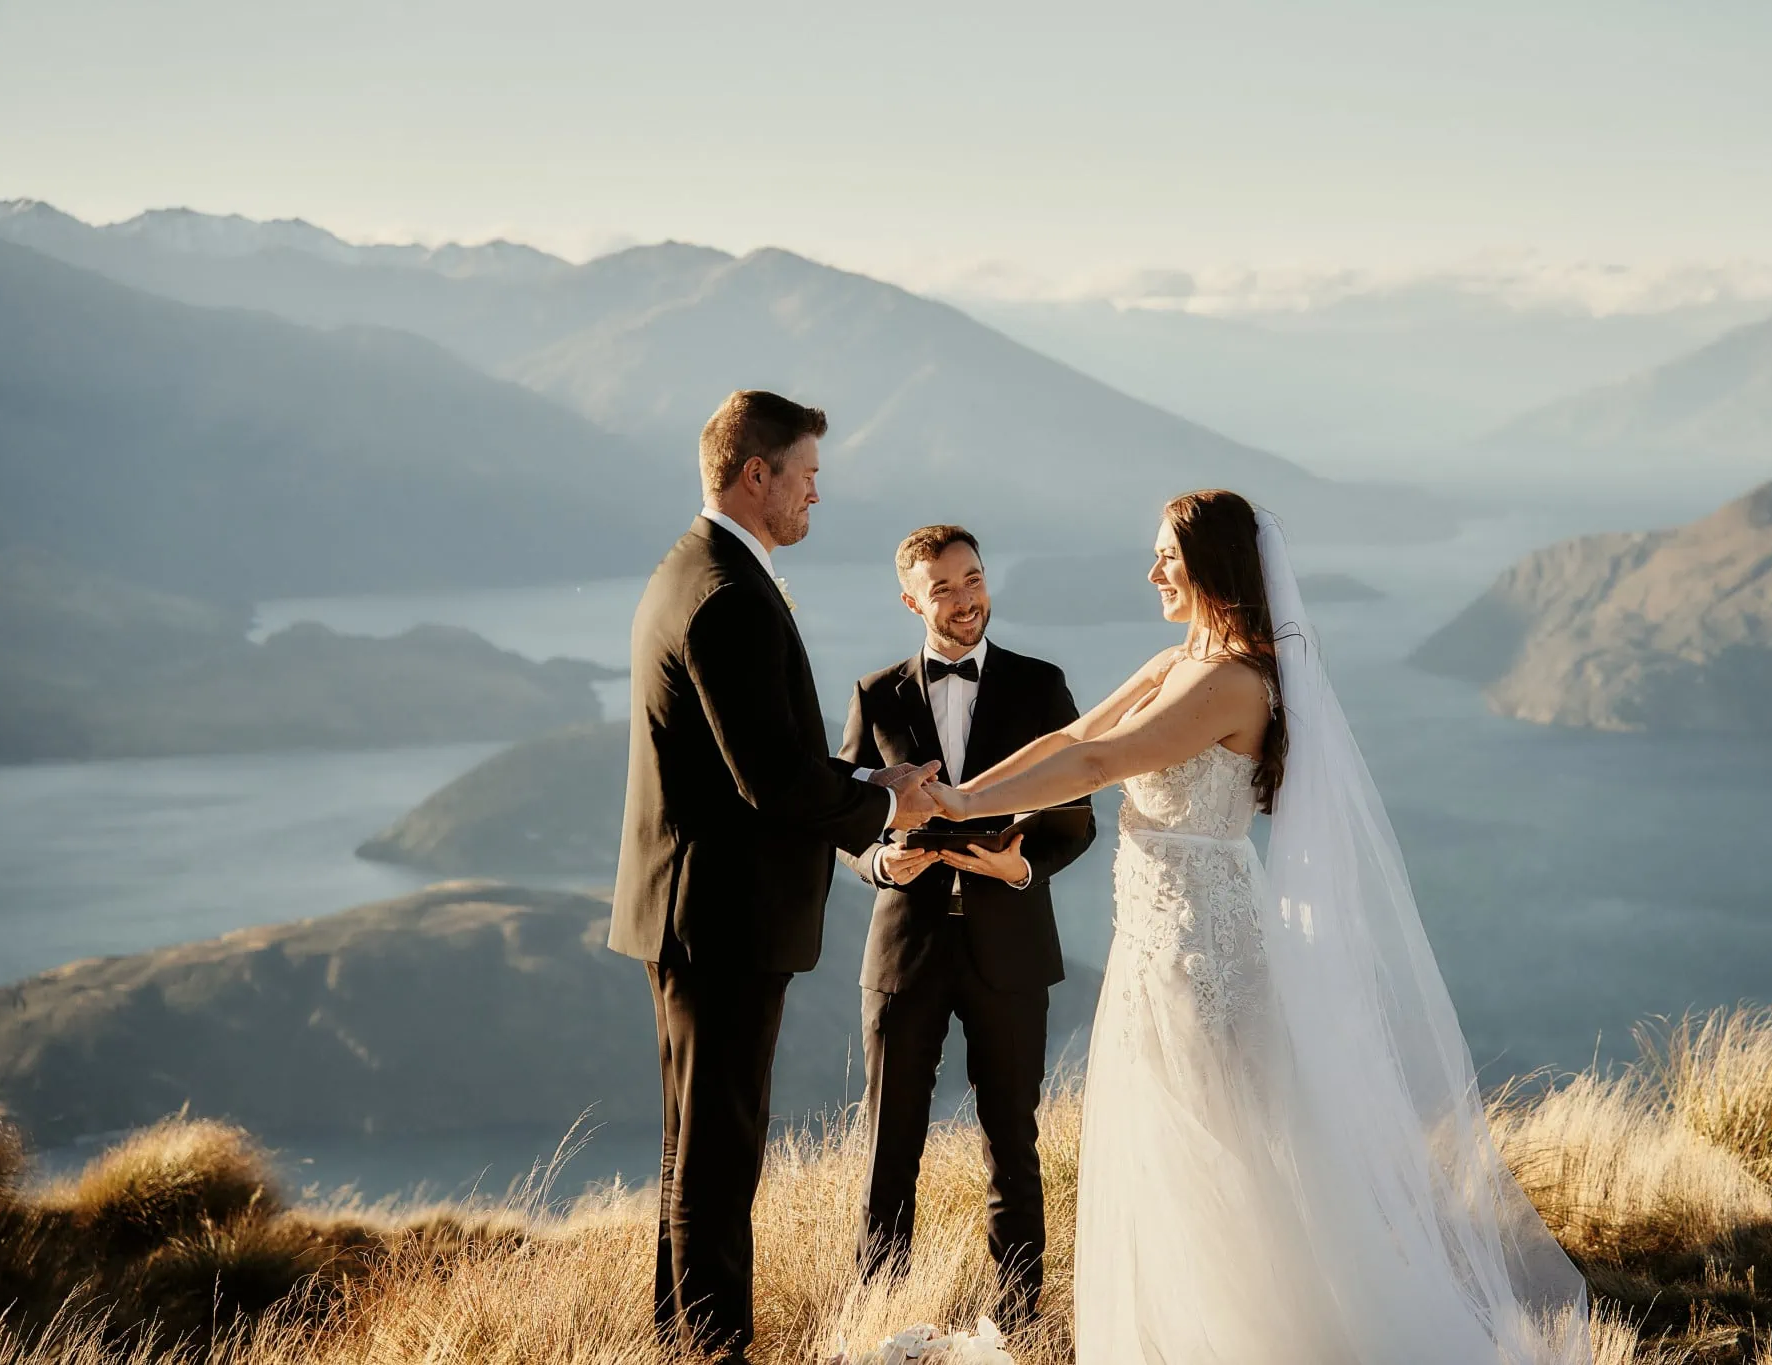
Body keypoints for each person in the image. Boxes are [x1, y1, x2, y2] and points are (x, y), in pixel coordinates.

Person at [927, 490, 1591, 1362]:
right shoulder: (1175, 663)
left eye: (1168, 554)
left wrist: (965, 803)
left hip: (1205, 949)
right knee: (1160, 1152)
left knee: (1217, 1147)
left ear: (1212, 566)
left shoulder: (1235, 683)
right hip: (1151, 940)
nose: (1153, 569)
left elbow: (1100, 763)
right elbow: (1072, 735)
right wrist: (957, 796)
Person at [606, 390, 940, 1364]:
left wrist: (870, 776)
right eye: (807, 477)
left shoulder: (697, 570)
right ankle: (716, 1351)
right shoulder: (725, 596)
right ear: (757, 476)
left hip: (693, 911)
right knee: (718, 1159)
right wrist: (888, 808)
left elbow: (755, 755)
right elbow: (767, 781)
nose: (814, 498)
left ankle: (684, 1345)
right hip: (722, 920)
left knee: (693, 1152)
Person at [835, 524, 1096, 1321]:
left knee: (1012, 1147)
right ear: (911, 598)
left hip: (1010, 947)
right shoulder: (875, 692)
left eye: (973, 578)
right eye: (942, 587)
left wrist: (1017, 868)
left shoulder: (1041, 685)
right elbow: (846, 817)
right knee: (889, 1149)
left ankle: (1016, 1322)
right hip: (904, 950)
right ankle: (878, 1322)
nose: (964, 598)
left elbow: (1077, 818)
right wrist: (883, 863)